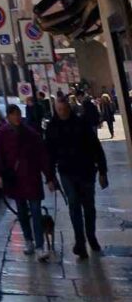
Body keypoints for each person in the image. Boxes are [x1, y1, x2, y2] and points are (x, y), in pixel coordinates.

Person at [45, 97, 107, 257]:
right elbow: (49, 155)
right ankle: (80, 241)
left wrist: (102, 170)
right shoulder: (52, 128)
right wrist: (50, 177)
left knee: (89, 207)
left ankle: (91, 236)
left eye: (64, 109)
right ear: (56, 110)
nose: (62, 112)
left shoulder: (81, 124)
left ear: (68, 108)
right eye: (59, 110)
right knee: (73, 206)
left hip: (86, 170)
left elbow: (96, 147)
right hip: (67, 172)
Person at [0, 103, 52, 260]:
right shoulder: (2, 135)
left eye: (18, 114)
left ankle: (39, 246)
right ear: (8, 117)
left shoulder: (31, 134)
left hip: (32, 178)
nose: (17, 118)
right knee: (23, 213)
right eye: (13, 115)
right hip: (16, 180)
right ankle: (29, 240)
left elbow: (42, 156)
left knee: (36, 212)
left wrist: (50, 177)